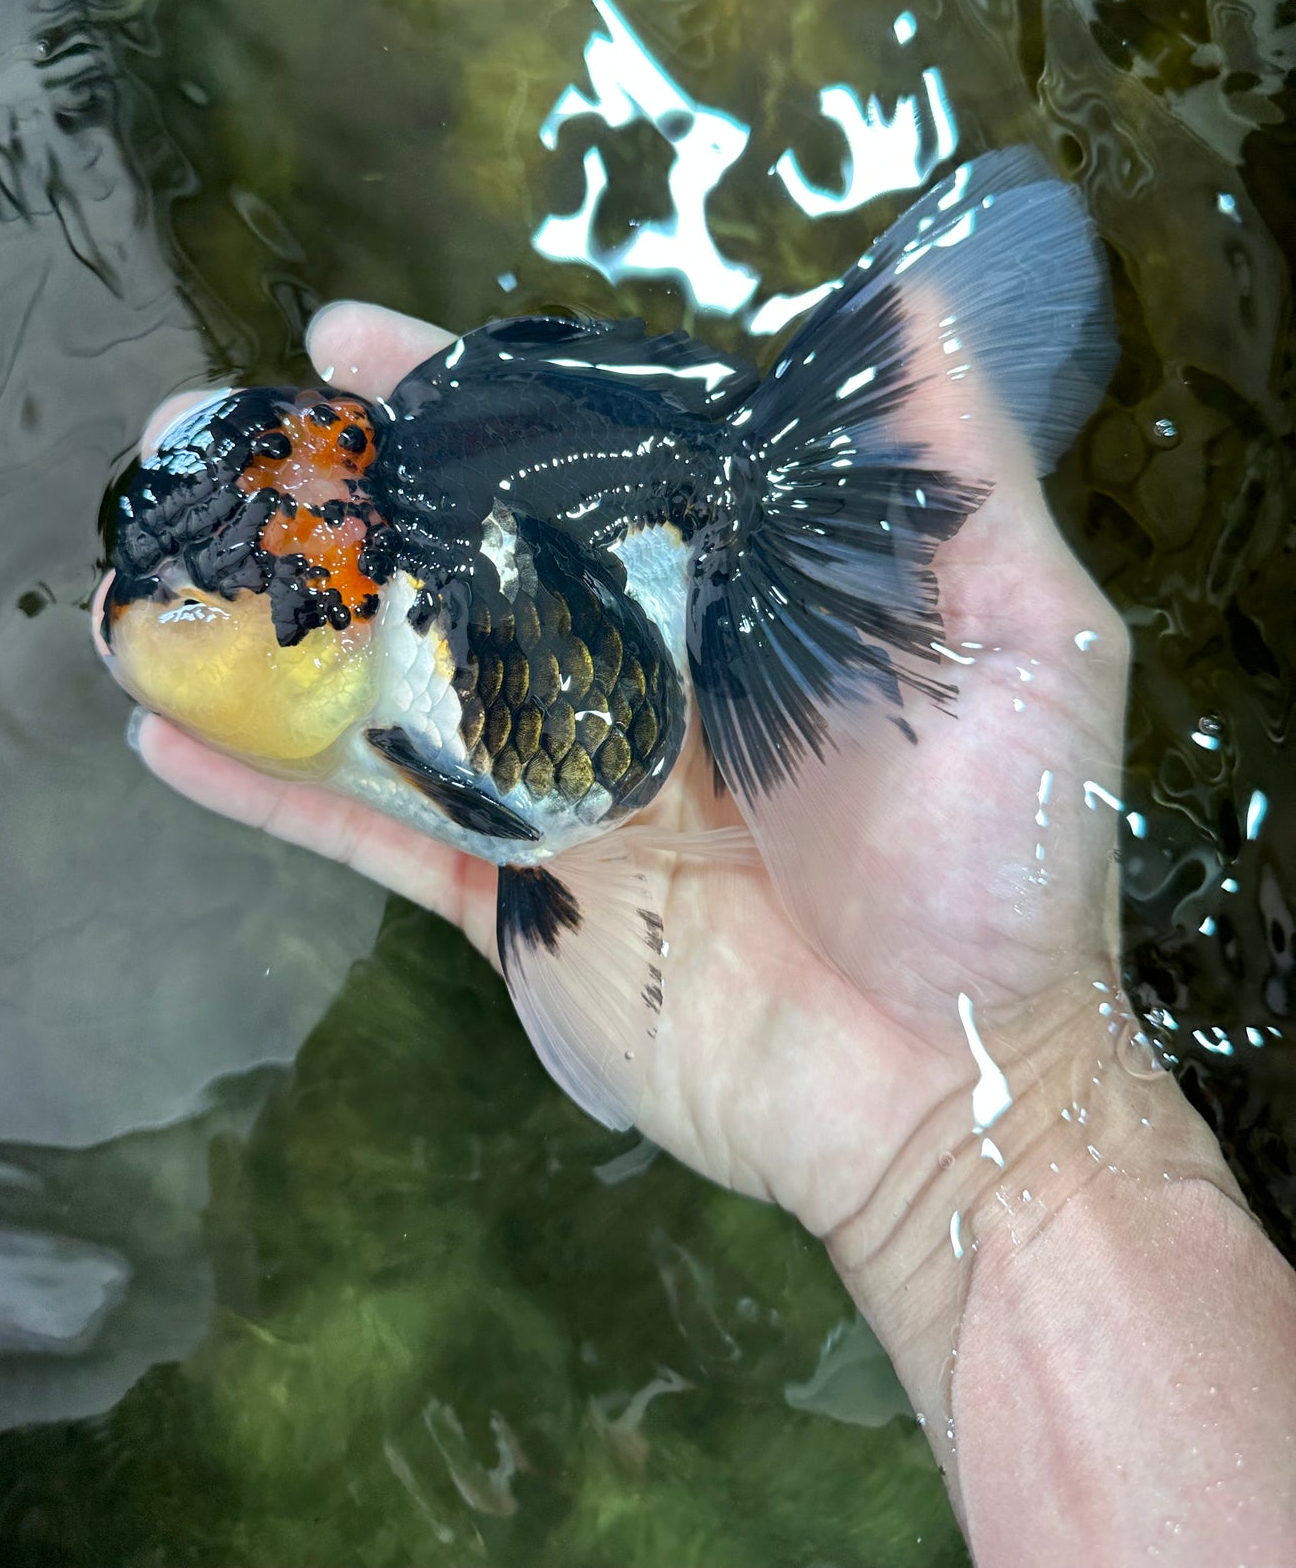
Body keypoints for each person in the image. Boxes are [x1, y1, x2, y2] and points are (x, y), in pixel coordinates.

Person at [116, 300, 1296, 1566]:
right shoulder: (357, 590)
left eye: (195, 588)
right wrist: (1008, 1128)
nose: (143, 601)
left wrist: (992, 1117)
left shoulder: (413, 647)